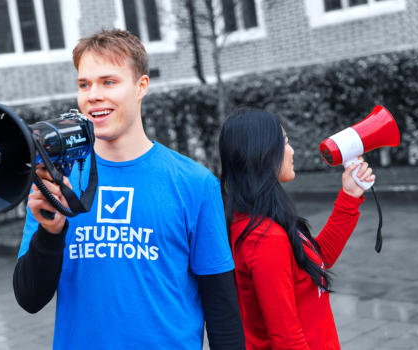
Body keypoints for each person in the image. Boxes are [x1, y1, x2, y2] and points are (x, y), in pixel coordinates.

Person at [13, 29, 245, 350]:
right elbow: (29, 298)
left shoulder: (195, 183)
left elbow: (222, 309)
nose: (93, 95)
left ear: (141, 87)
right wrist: (50, 234)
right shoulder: (56, 183)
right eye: (84, 84)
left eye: (108, 82)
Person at [219, 107, 375, 350]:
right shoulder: (264, 238)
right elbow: (286, 339)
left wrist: (350, 195)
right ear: (263, 153)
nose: (291, 151)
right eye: (285, 143)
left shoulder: (260, 219)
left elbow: (317, 259)